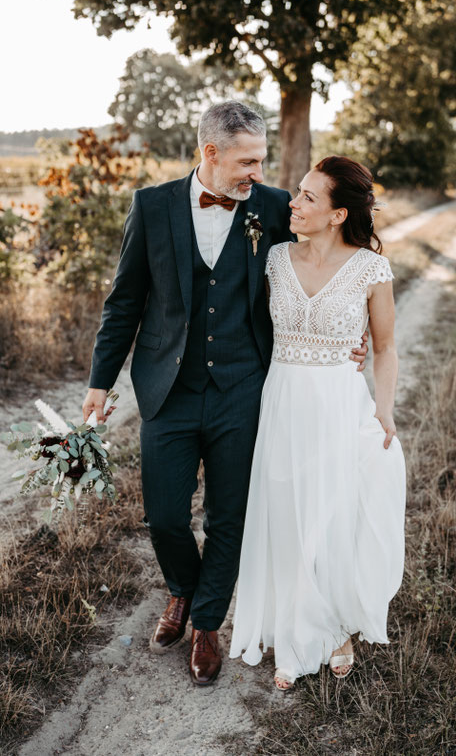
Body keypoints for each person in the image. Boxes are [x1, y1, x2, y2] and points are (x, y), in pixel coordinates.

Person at [81, 103, 369, 686]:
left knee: (229, 517)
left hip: (245, 388)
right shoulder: (152, 205)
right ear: (209, 153)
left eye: (261, 159)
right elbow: (124, 303)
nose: (257, 172)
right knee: (163, 515)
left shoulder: (272, 206)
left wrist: (349, 329)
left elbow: (329, 255)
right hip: (169, 390)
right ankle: (182, 591)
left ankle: (208, 623)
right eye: (247, 160)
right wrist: (98, 383)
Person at [230, 155, 406, 690]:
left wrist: (383, 409)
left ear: (337, 214)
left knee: (332, 515)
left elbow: (385, 346)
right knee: (286, 513)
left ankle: (335, 628)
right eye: (297, 192)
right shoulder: (274, 259)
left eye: (308, 196)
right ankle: (295, 632)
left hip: (338, 402)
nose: (294, 202)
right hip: (282, 401)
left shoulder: (371, 270)